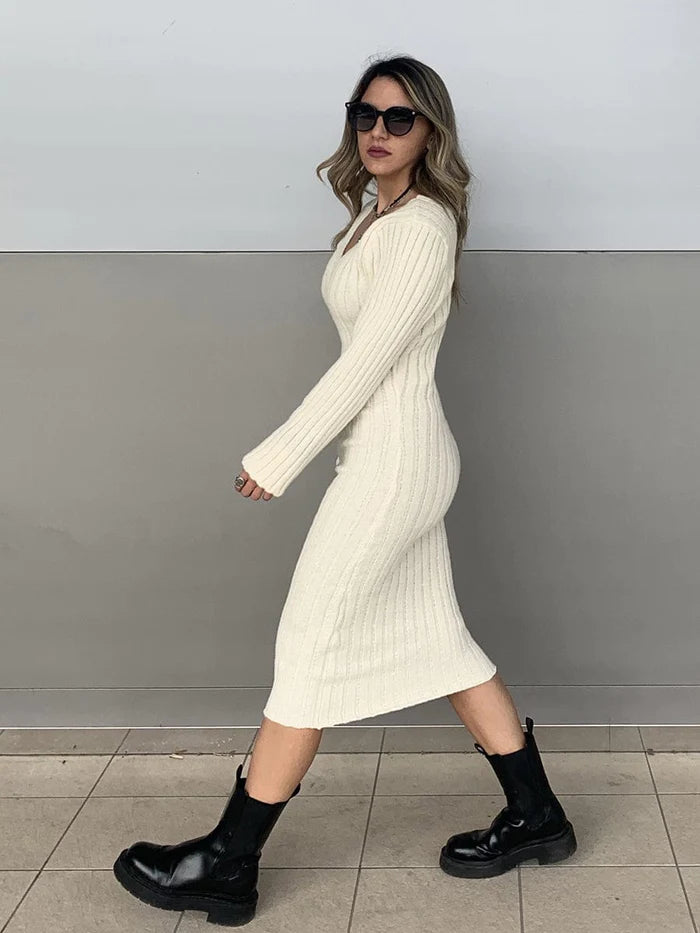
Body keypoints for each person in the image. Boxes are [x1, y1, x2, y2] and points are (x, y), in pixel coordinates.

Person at [113, 54, 577, 926]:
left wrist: (281, 453)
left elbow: (366, 364)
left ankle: (228, 862)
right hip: (388, 454)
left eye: (400, 118)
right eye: (366, 113)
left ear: (430, 131)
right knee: (443, 642)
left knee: (307, 648)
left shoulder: (422, 226)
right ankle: (538, 815)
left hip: (395, 463)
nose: (378, 130)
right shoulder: (374, 217)